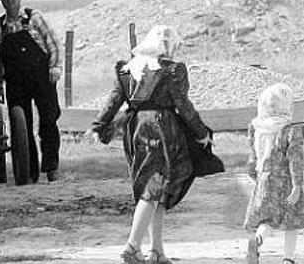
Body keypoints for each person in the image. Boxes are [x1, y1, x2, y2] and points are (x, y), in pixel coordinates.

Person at [89, 25, 212, 264]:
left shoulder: (129, 69)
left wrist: (98, 125)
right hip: (160, 129)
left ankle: (156, 250)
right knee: (153, 188)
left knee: (157, 190)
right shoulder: (172, 70)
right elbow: (182, 104)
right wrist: (200, 131)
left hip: (136, 129)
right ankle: (132, 246)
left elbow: (114, 100)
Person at [0, 0, 62, 183]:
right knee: (21, 125)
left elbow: (54, 44)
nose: (10, 1)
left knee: (48, 122)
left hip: (41, 77)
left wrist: (54, 67)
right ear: (1, 0)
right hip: (16, 80)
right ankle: (28, 172)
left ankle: (51, 168)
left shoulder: (34, 18)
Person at [243, 83, 304, 264]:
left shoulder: (257, 128)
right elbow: (295, 159)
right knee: (291, 220)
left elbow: (253, 156)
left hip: (264, 179)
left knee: (268, 219)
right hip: (285, 181)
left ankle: (257, 240)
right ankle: (288, 259)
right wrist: (297, 186)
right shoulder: (289, 130)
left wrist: (256, 176)